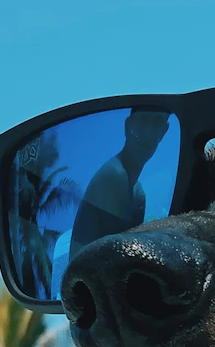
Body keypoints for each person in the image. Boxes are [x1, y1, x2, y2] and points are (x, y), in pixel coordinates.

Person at [69, 110, 171, 259]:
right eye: (143, 119)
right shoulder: (114, 176)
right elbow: (120, 260)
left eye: (158, 122)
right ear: (128, 126)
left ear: (164, 132)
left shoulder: (138, 193)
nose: (149, 132)